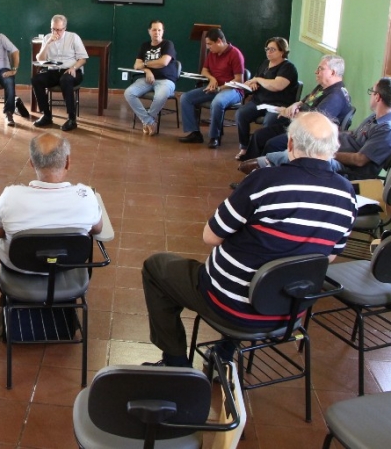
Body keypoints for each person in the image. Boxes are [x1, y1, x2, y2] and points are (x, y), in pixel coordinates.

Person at [141, 112, 357, 367]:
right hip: (289, 308)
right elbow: (328, 257)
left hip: (231, 305)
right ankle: (223, 352)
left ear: (289, 145)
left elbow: (210, 236)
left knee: (156, 268)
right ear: (334, 148)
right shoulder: (347, 194)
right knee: (256, 274)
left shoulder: (264, 181)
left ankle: (175, 362)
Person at [245, 77, 391, 180]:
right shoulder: (375, 118)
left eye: (372, 92)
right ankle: (260, 179)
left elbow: (359, 160)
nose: (371, 95)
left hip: (344, 169)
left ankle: (258, 178)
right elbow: (353, 136)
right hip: (332, 151)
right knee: (293, 147)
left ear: (378, 97)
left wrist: (324, 152)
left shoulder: (388, 131)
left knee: (286, 157)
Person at [0, 132, 102, 274]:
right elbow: (97, 229)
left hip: (19, 268)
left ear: (31, 162)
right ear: (68, 162)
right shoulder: (87, 196)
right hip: (67, 267)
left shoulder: (10, 196)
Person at [244, 54, 352, 161]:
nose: (316, 72)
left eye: (321, 69)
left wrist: (290, 113)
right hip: (299, 124)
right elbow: (306, 100)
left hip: (309, 136)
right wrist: (296, 104)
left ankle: (268, 173)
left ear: (333, 72)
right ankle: (251, 168)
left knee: (272, 144)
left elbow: (315, 121)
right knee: (259, 135)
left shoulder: (336, 96)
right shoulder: (324, 86)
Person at [179, 28, 246, 148]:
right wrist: (212, 79)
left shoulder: (235, 54)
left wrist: (220, 88)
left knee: (217, 103)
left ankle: (215, 137)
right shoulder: (212, 54)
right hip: (215, 87)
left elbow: (239, 80)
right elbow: (204, 70)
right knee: (186, 98)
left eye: (210, 44)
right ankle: (195, 133)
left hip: (233, 90)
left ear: (219, 41)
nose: (208, 47)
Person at [233, 37, 298, 159]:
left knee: (270, 121)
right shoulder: (264, 63)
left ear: (282, 52)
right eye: (267, 49)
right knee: (241, 114)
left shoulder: (288, 68)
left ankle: (263, 152)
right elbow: (257, 81)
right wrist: (253, 83)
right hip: (259, 101)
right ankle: (244, 147)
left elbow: (277, 86)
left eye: (272, 49)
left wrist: (257, 79)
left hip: (277, 105)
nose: (268, 52)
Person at [31, 14, 88, 132]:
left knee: (65, 80)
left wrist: (74, 67)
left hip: (72, 70)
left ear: (65, 28)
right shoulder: (47, 38)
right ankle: (46, 115)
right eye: (53, 29)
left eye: (59, 30)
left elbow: (83, 59)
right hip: (53, 71)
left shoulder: (73, 37)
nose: (56, 32)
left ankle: (71, 119)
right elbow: (40, 59)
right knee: (36, 80)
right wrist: (48, 43)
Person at [123, 20, 179, 136]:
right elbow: (136, 65)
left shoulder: (168, 44)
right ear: (149, 31)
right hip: (147, 80)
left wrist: (144, 65)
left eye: (159, 30)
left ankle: (147, 121)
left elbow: (163, 62)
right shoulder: (144, 46)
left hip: (166, 80)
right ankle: (149, 121)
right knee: (129, 93)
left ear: (163, 32)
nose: (156, 32)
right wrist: (148, 71)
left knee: (160, 96)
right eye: (154, 30)